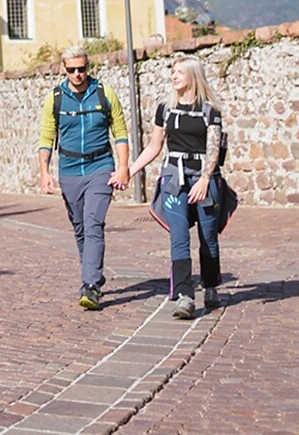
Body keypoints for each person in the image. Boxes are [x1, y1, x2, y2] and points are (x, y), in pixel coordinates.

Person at [127, 55, 231, 319]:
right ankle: (185, 296)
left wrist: (206, 179)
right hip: (174, 176)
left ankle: (210, 286)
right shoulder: (165, 109)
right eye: (172, 72)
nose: (174, 76)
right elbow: (154, 145)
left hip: (204, 176)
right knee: (179, 236)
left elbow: (214, 150)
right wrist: (129, 171)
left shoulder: (210, 111)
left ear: (193, 76)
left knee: (208, 236)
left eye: (180, 72)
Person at [34, 45, 130, 310]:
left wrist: (122, 167)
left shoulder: (103, 93)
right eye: (72, 69)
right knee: (79, 227)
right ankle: (94, 272)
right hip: (69, 170)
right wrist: (44, 172)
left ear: (89, 67)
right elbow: (46, 138)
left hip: (100, 167)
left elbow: (120, 132)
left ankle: (90, 285)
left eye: (82, 69)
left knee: (93, 224)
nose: (78, 74)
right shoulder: (55, 98)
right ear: (63, 69)